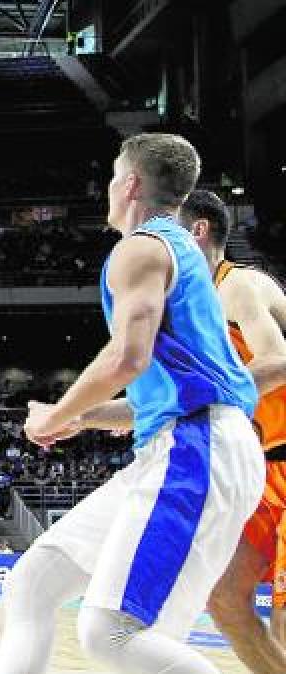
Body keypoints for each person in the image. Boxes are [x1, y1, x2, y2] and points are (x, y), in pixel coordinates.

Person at [0, 134, 264, 674]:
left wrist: (56, 414)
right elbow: (168, 391)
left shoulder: (141, 248)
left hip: (198, 451)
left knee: (110, 632)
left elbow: (127, 358)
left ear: (132, 183)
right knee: (34, 583)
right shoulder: (179, 253)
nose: (110, 187)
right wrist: (86, 416)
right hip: (190, 443)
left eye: (116, 175)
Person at [178, 190, 286, 673]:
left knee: (284, 617)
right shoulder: (195, 309)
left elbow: (277, 362)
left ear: (199, 231)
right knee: (223, 598)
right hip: (266, 466)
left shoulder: (240, 286)